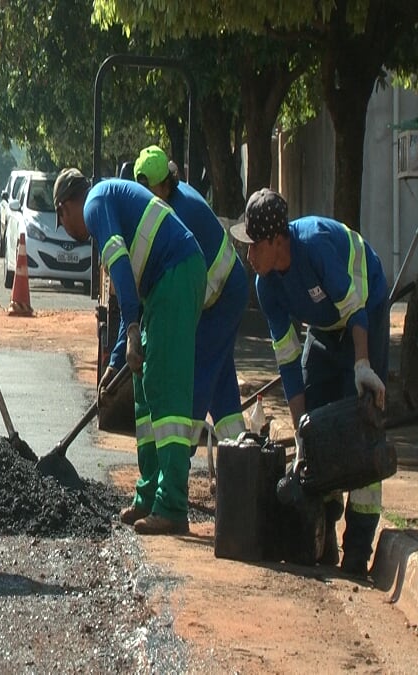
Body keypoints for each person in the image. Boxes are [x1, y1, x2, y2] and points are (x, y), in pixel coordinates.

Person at [230, 188, 389, 576]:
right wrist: (302, 430)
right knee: (318, 427)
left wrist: (362, 366)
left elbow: (354, 309)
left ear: (276, 240)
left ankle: (358, 547)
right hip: (323, 327)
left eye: (254, 247)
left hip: (365, 312)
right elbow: (287, 358)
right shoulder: (266, 286)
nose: (249, 257)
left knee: (363, 428)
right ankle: (325, 530)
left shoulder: (316, 244)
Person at [54, 168, 206, 535]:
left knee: (166, 390)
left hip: (177, 274)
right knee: (141, 387)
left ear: (65, 206)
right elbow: (128, 298)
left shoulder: (95, 204)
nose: (69, 229)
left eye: (62, 220)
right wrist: (116, 361)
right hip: (159, 285)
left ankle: (172, 505)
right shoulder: (109, 203)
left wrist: (135, 327)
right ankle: (149, 493)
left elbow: (120, 266)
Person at [134, 145, 247, 447]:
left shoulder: (177, 213)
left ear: (166, 183)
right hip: (215, 295)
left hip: (223, 294)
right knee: (220, 374)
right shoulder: (170, 203)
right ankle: (241, 450)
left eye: (152, 188)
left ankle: (179, 455)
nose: (148, 195)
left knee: (199, 368)